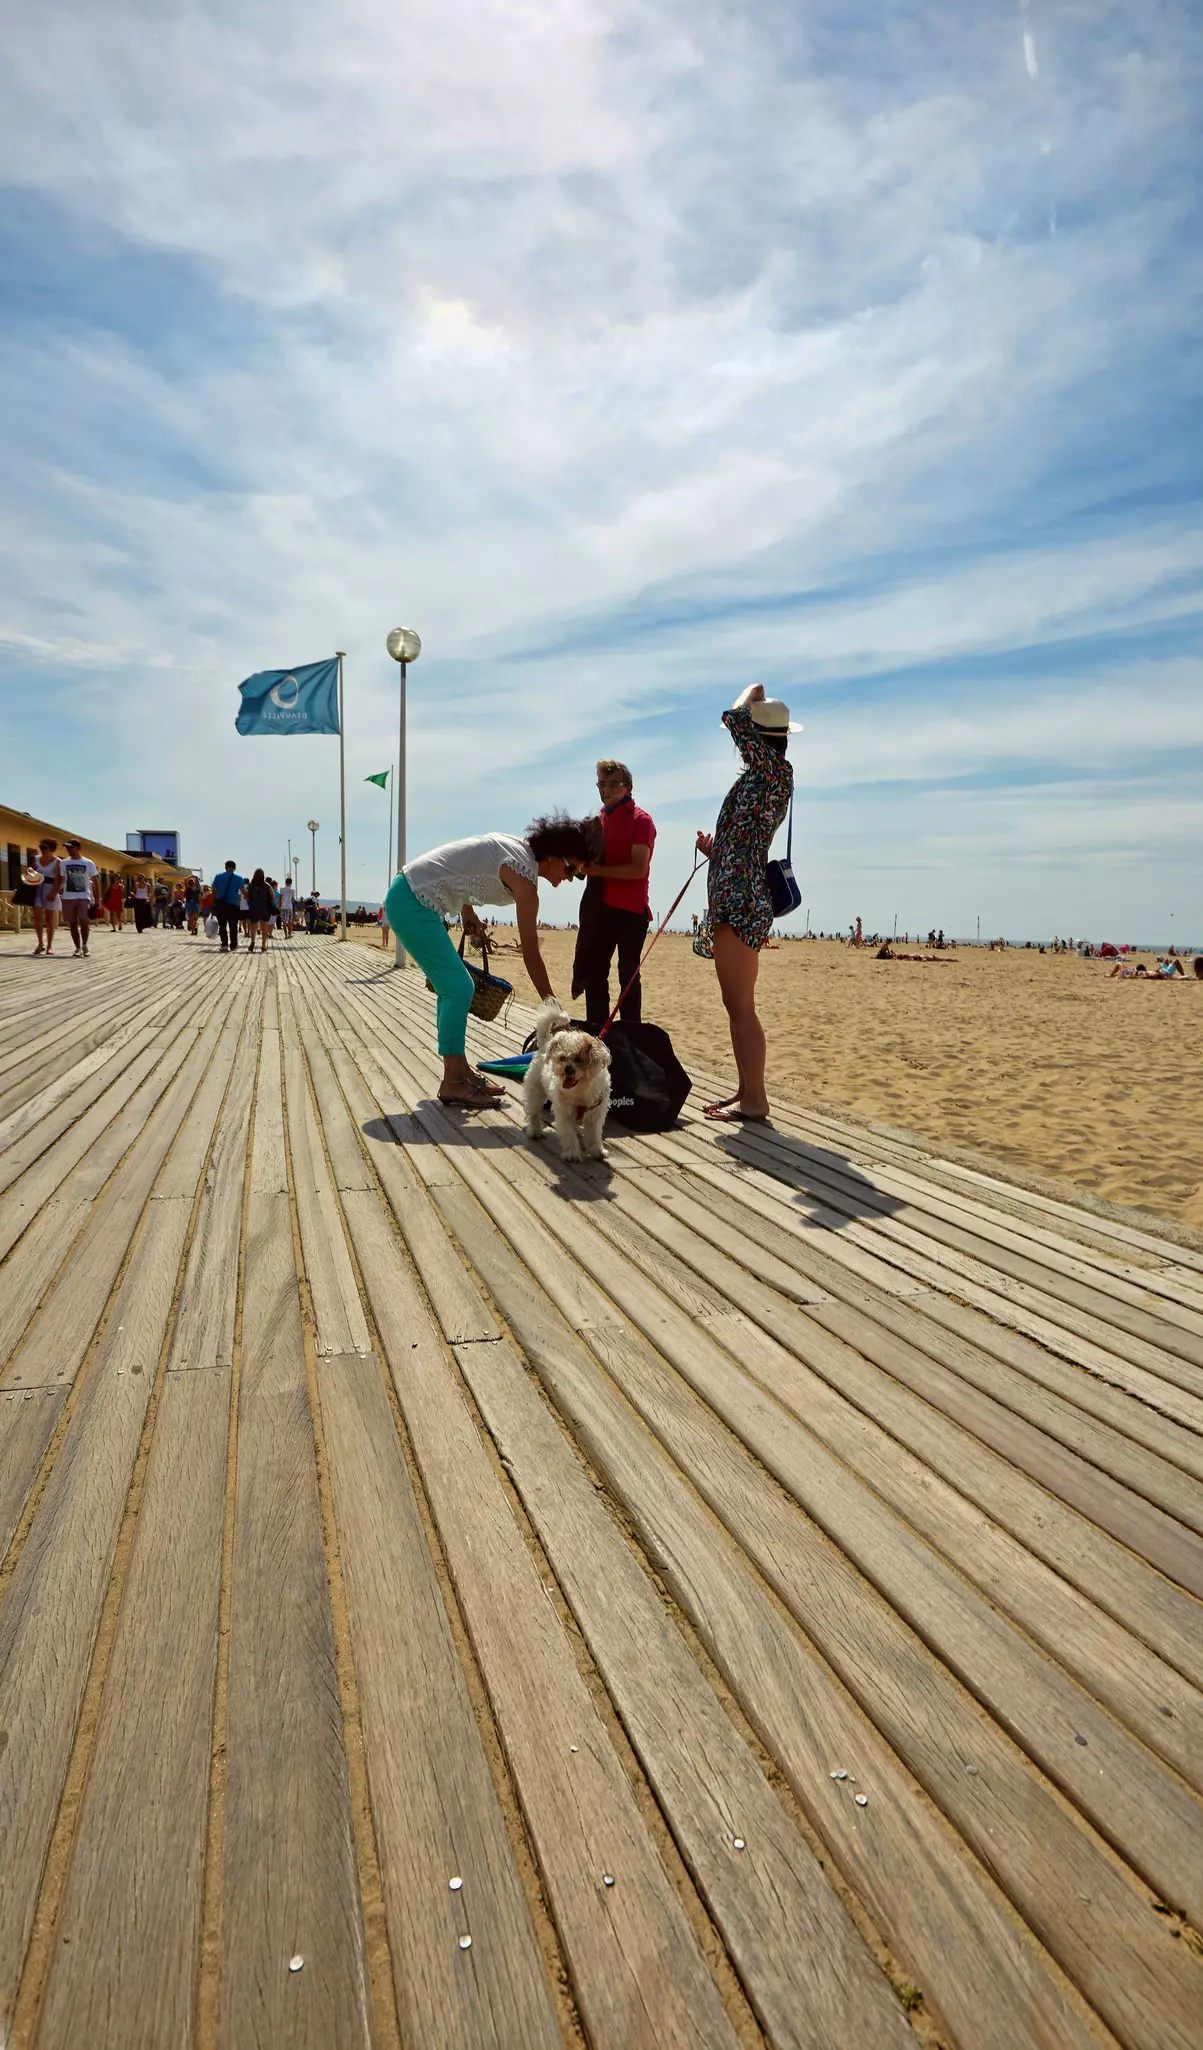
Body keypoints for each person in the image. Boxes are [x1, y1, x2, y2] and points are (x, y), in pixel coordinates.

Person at [384, 813, 593, 1106]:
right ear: (554, 855)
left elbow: (463, 867)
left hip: (408, 894)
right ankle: (453, 1081)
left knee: (453, 986)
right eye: (572, 869)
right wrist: (556, 1015)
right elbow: (531, 955)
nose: (570, 878)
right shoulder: (525, 879)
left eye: (578, 875)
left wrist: (466, 911)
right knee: (458, 987)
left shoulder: (515, 848)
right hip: (412, 902)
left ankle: (459, 1071)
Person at [694, 684, 798, 1122]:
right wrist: (715, 851)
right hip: (738, 893)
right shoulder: (762, 779)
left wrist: (747, 696)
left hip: (740, 900)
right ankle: (746, 1092)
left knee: (741, 1007)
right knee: (736, 1006)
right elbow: (745, 844)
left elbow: (731, 718)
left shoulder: (773, 773)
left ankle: (755, 1099)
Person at [575, 759, 656, 1028]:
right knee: (595, 972)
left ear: (628, 787)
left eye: (613, 784)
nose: (606, 790)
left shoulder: (640, 820)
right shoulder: (597, 821)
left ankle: (632, 1035)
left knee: (628, 976)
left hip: (631, 911)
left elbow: (637, 869)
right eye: (602, 784)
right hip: (601, 908)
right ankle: (597, 1033)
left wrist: (597, 870)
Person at [60, 838, 100, 956]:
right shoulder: (64, 863)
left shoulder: (88, 863)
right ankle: (77, 948)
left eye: (70, 847)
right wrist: (56, 892)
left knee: (84, 920)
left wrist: (97, 898)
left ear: (78, 848)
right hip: (68, 896)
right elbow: (62, 879)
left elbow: (95, 880)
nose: (68, 850)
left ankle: (85, 945)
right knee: (72, 923)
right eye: (66, 847)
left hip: (84, 896)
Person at [31, 837, 65, 955]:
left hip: (50, 888)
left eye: (44, 848)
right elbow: (31, 874)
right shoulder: (36, 859)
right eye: (41, 847)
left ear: (51, 849)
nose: (42, 850)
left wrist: (54, 892)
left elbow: (60, 880)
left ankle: (50, 946)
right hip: (37, 888)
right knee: (37, 917)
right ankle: (40, 943)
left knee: (49, 920)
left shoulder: (57, 862)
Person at [210, 860, 245, 951]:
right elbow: (243, 891)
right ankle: (233, 944)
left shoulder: (218, 877)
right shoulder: (239, 878)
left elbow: (213, 891)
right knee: (233, 925)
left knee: (222, 925)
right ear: (234, 868)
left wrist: (213, 902)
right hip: (234, 905)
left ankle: (224, 944)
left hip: (221, 904)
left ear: (225, 867)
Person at [245, 868, 275, 953]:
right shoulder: (266, 885)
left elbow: (246, 896)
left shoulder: (250, 885)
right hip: (264, 908)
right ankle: (263, 945)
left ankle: (253, 941)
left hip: (254, 908)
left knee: (253, 927)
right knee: (264, 928)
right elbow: (273, 897)